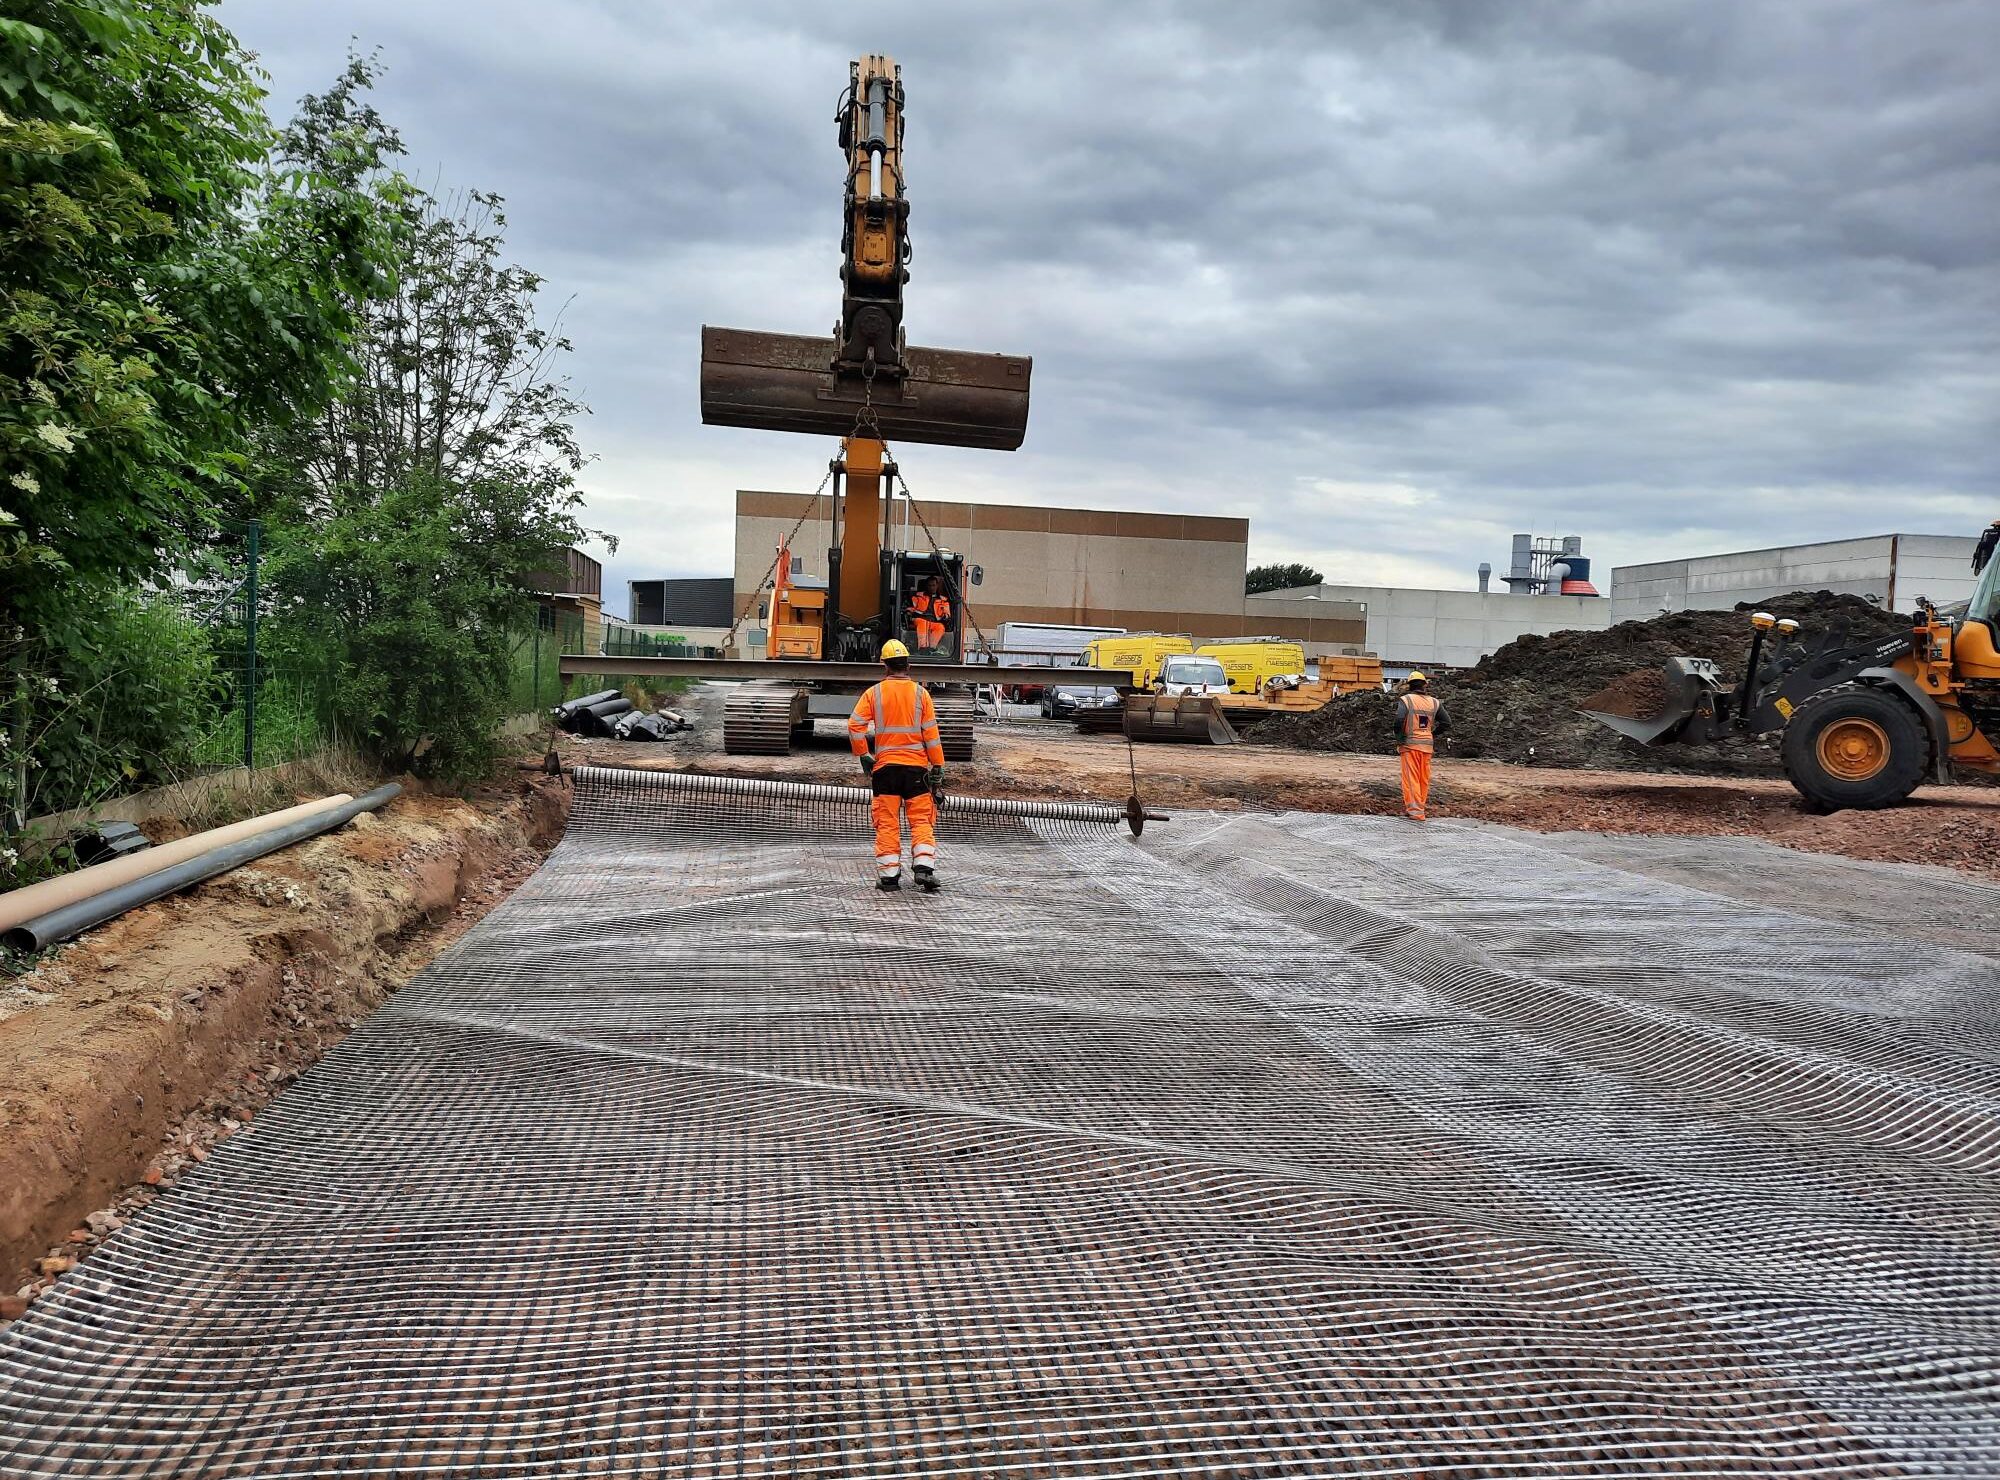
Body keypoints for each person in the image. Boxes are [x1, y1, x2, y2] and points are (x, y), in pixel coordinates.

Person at [847, 639, 947, 892]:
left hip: (885, 771)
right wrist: (937, 766)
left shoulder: (874, 693)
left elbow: (855, 725)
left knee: (887, 822)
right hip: (916, 771)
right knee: (921, 820)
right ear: (908, 666)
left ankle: (890, 876)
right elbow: (931, 734)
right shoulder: (921, 694)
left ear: (885, 667)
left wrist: (864, 755)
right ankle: (924, 868)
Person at [1393, 672, 1449, 821]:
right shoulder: (1434, 702)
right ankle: (1419, 808)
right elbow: (1446, 723)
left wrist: (1399, 739)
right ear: (1425, 684)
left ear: (1409, 686)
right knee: (1423, 779)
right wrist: (1432, 734)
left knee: (1411, 780)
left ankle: (1416, 812)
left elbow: (1398, 720)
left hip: (1410, 746)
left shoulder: (1406, 700)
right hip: (1427, 747)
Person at [907, 575, 952, 654]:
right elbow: (910, 607)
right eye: (930, 585)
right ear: (926, 586)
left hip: (934, 622)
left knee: (940, 627)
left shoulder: (943, 600)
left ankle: (931, 648)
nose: (932, 587)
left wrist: (946, 616)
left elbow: (947, 613)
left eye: (933, 585)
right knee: (924, 623)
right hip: (919, 620)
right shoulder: (918, 597)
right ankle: (923, 647)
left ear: (937, 586)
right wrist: (909, 612)